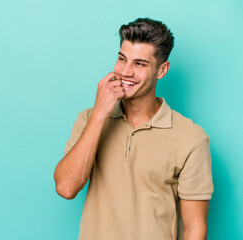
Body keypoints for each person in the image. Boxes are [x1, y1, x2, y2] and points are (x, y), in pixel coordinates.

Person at [53, 18, 214, 240]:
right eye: (122, 59)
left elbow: (194, 228)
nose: (126, 72)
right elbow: (66, 188)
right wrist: (100, 114)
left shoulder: (191, 138)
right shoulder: (89, 119)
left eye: (139, 64)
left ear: (162, 70)